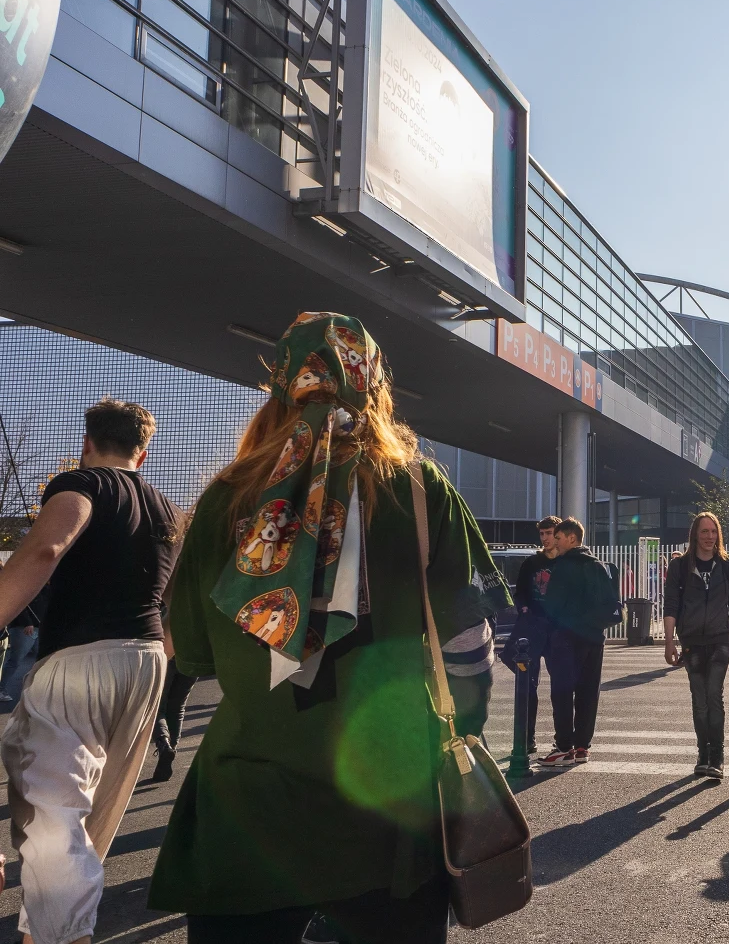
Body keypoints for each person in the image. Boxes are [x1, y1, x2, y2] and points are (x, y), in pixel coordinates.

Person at [145, 313, 510, 943]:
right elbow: (467, 646)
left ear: (285, 387)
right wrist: (461, 728)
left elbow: (194, 653)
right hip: (389, 802)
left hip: (248, 800)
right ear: (373, 387)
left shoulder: (228, 496)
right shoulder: (421, 490)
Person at [0, 398, 180, 944]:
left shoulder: (80, 485)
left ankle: (62, 936)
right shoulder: (168, 510)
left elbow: (47, 547)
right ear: (142, 452)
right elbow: (175, 598)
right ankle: (46, 929)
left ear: (87, 441)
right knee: (91, 816)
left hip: (79, 659)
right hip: (148, 659)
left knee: (53, 814)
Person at [663, 512, 729, 777]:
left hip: (720, 639)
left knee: (714, 696)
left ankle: (717, 757)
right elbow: (671, 604)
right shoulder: (680, 566)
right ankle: (703, 754)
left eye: (713, 532)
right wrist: (669, 642)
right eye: (704, 532)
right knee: (699, 700)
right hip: (691, 641)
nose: (709, 537)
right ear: (695, 535)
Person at [537, 517, 620, 768]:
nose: (555, 543)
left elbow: (552, 605)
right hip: (594, 639)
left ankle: (563, 747)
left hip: (566, 638)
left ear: (572, 538)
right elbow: (612, 606)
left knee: (562, 692)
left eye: (559, 538)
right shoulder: (599, 566)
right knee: (587, 692)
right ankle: (583, 746)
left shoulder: (564, 566)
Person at [510, 515, 561, 754]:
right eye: (542, 534)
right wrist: (524, 608)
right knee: (527, 686)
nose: (545, 538)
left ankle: (562, 740)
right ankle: (528, 739)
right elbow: (519, 592)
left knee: (560, 686)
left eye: (549, 533)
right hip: (531, 628)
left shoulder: (565, 562)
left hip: (557, 630)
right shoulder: (531, 563)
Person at [150, 657, 200, 783]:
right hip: (191, 658)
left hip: (166, 655)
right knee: (177, 708)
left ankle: (163, 742)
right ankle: (170, 748)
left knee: (156, 708)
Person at [0, 588, 45, 705]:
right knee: (15, 661)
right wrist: (27, 622)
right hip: (24, 628)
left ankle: (35, 690)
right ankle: (1, 689)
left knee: (41, 660)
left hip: (37, 627)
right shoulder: (33, 583)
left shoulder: (43, 586)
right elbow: (19, 604)